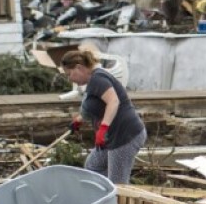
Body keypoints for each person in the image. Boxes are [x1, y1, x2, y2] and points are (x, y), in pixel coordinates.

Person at [61, 48, 147, 185]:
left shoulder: (98, 78)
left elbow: (113, 101)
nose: (69, 78)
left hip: (124, 136)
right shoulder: (91, 82)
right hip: (110, 137)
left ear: (79, 68)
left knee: (118, 184)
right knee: (92, 167)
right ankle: (104, 192)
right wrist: (79, 120)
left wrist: (103, 128)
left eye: (69, 74)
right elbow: (92, 106)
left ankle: (117, 200)